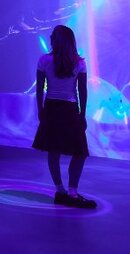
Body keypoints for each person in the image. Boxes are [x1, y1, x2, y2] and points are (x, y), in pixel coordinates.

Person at [33, 25, 96, 209]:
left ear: (56, 40)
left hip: (52, 108)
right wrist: (82, 114)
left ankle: (62, 191)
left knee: (55, 151)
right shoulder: (79, 63)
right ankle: (70, 192)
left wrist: (41, 110)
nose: (51, 39)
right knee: (79, 152)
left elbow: (39, 90)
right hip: (69, 109)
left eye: (52, 37)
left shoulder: (44, 61)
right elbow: (82, 91)